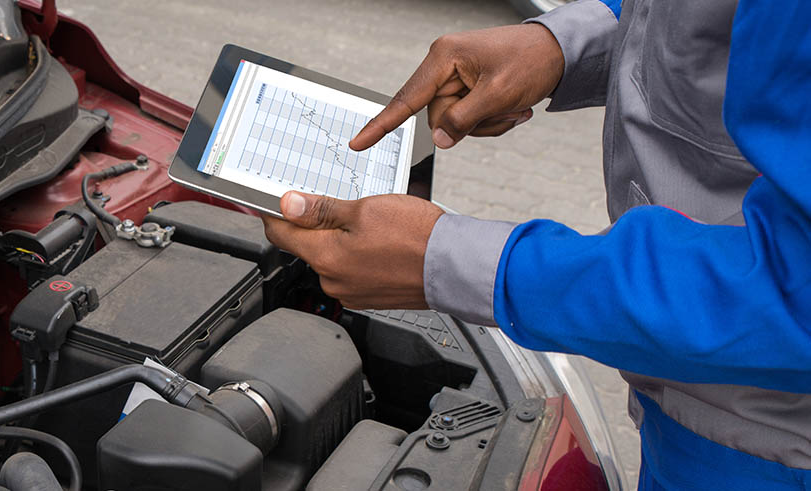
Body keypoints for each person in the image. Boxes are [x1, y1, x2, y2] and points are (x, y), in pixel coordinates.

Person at [260, 0, 811, 489]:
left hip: (772, 449)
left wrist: (463, 264)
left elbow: (798, 293)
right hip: (695, 388)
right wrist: (564, 44)